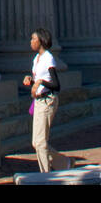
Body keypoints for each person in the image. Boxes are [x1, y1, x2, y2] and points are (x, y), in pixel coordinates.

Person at [22, 27, 73, 173]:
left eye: (34, 39)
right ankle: (63, 162)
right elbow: (40, 81)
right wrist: (32, 81)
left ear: (41, 41)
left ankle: (46, 176)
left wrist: (40, 82)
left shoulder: (48, 58)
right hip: (38, 101)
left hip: (47, 101)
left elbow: (56, 85)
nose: (31, 41)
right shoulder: (36, 59)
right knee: (36, 142)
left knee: (40, 142)